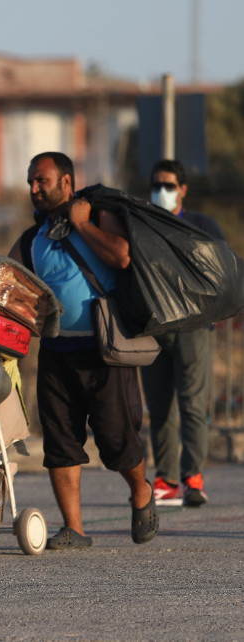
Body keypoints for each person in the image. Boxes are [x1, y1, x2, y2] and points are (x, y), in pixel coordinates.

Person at [9, 151, 157, 550]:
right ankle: (74, 528)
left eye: (41, 180)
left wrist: (81, 225)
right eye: (31, 181)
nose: (34, 188)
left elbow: (121, 256)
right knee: (60, 441)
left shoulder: (98, 217)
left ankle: (141, 490)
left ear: (66, 183)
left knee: (115, 438)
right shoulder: (33, 238)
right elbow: (7, 278)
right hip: (56, 351)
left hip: (104, 350)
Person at [141, 159, 224, 508]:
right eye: (157, 184)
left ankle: (193, 478)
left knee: (192, 405)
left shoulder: (201, 225)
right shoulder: (143, 223)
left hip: (192, 327)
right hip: (154, 327)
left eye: (169, 185)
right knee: (159, 407)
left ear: (183, 189)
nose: (162, 191)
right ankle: (167, 479)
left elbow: (220, 271)